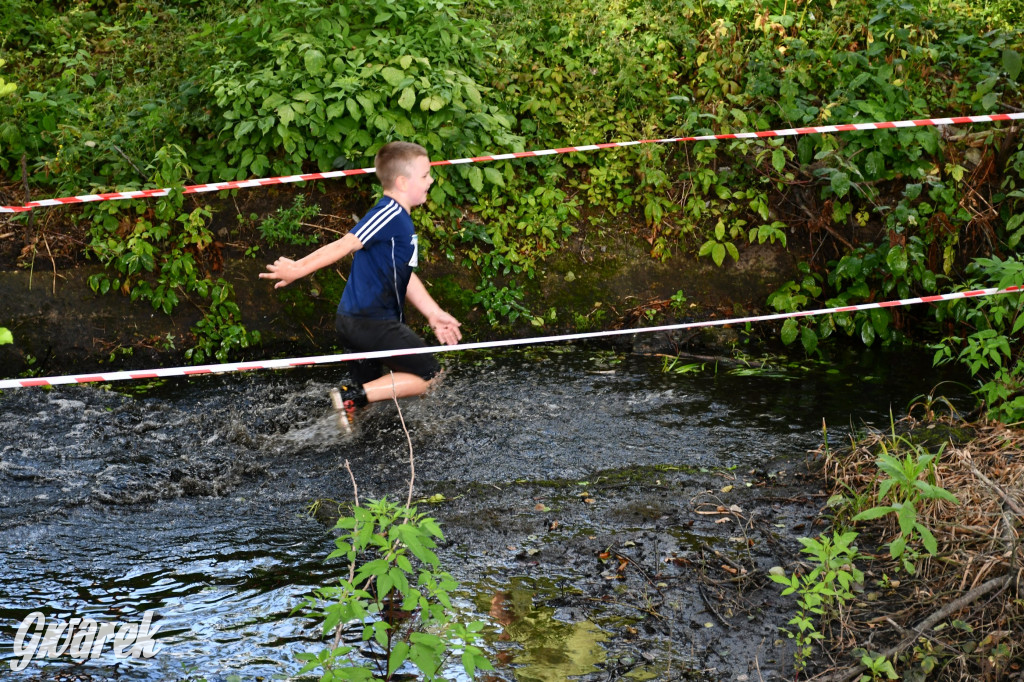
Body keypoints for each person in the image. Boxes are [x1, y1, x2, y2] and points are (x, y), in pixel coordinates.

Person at [258, 141, 462, 411]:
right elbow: (345, 244)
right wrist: (297, 269)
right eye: (425, 175)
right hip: (372, 324)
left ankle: (342, 416)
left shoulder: (401, 221)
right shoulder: (388, 213)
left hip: (355, 324)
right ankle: (349, 397)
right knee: (430, 375)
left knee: (369, 403)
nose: (431, 179)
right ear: (402, 181)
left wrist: (433, 313)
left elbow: (405, 275)